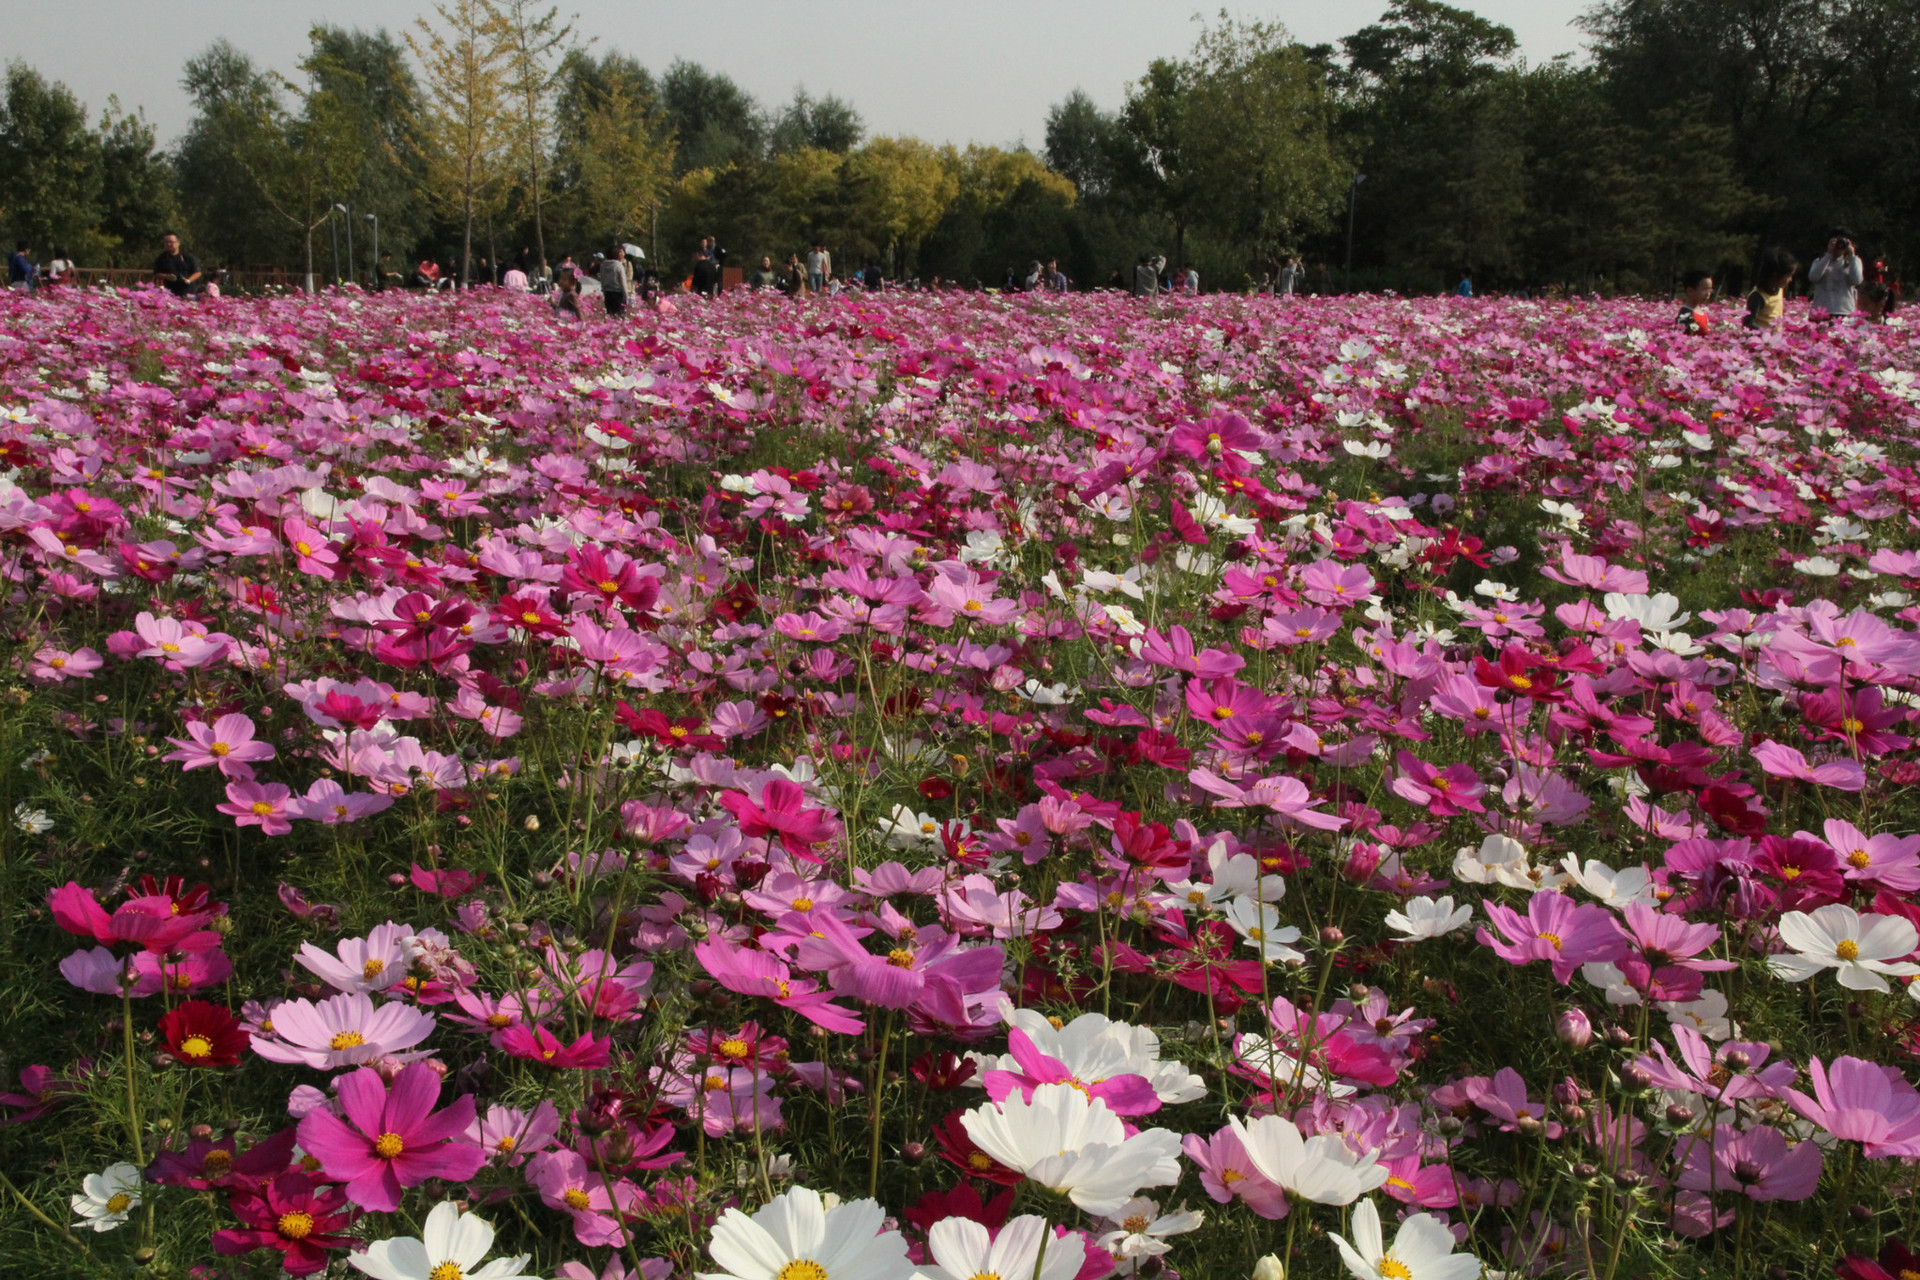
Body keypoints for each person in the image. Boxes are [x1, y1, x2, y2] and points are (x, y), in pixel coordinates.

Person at [1808, 229, 1863, 318]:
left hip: (1845, 311)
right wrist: (1828, 255)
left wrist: (1852, 256)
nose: (1839, 246)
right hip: (1821, 312)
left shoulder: (1853, 262)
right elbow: (1813, 277)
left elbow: (1856, 281)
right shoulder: (1819, 261)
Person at [1744, 247, 1797, 330]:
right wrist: (1765, 333)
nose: (1790, 279)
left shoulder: (1779, 290)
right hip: (1761, 340)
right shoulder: (1758, 296)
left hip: (1775, 339)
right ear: (1775, 275)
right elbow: (1748, 323)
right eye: (1788, 276)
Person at [154, 232, 201, 297]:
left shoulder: (187, 256)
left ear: (178, 242)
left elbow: (197, 272)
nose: (168, 244)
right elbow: (157, 273)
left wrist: (188, 280)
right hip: (170, 293)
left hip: (188, 292)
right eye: (166, 242)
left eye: (171, 242)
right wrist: (166, 276)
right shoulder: (162, 258)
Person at [1676, 269, 1714, 334]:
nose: (1708, 293)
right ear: (1690, 291)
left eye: (1710, 289)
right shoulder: (1685, 315)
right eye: (1705, 289)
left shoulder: (1702, 311)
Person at [598, 245, 630, 316]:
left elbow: (602, 279)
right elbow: (623, 281)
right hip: (618, 293)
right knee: (619, 315)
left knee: (610, 314)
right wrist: (626, 295)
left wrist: (604, 290)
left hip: (608, 292)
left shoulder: (603, 265)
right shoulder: (618, 265)